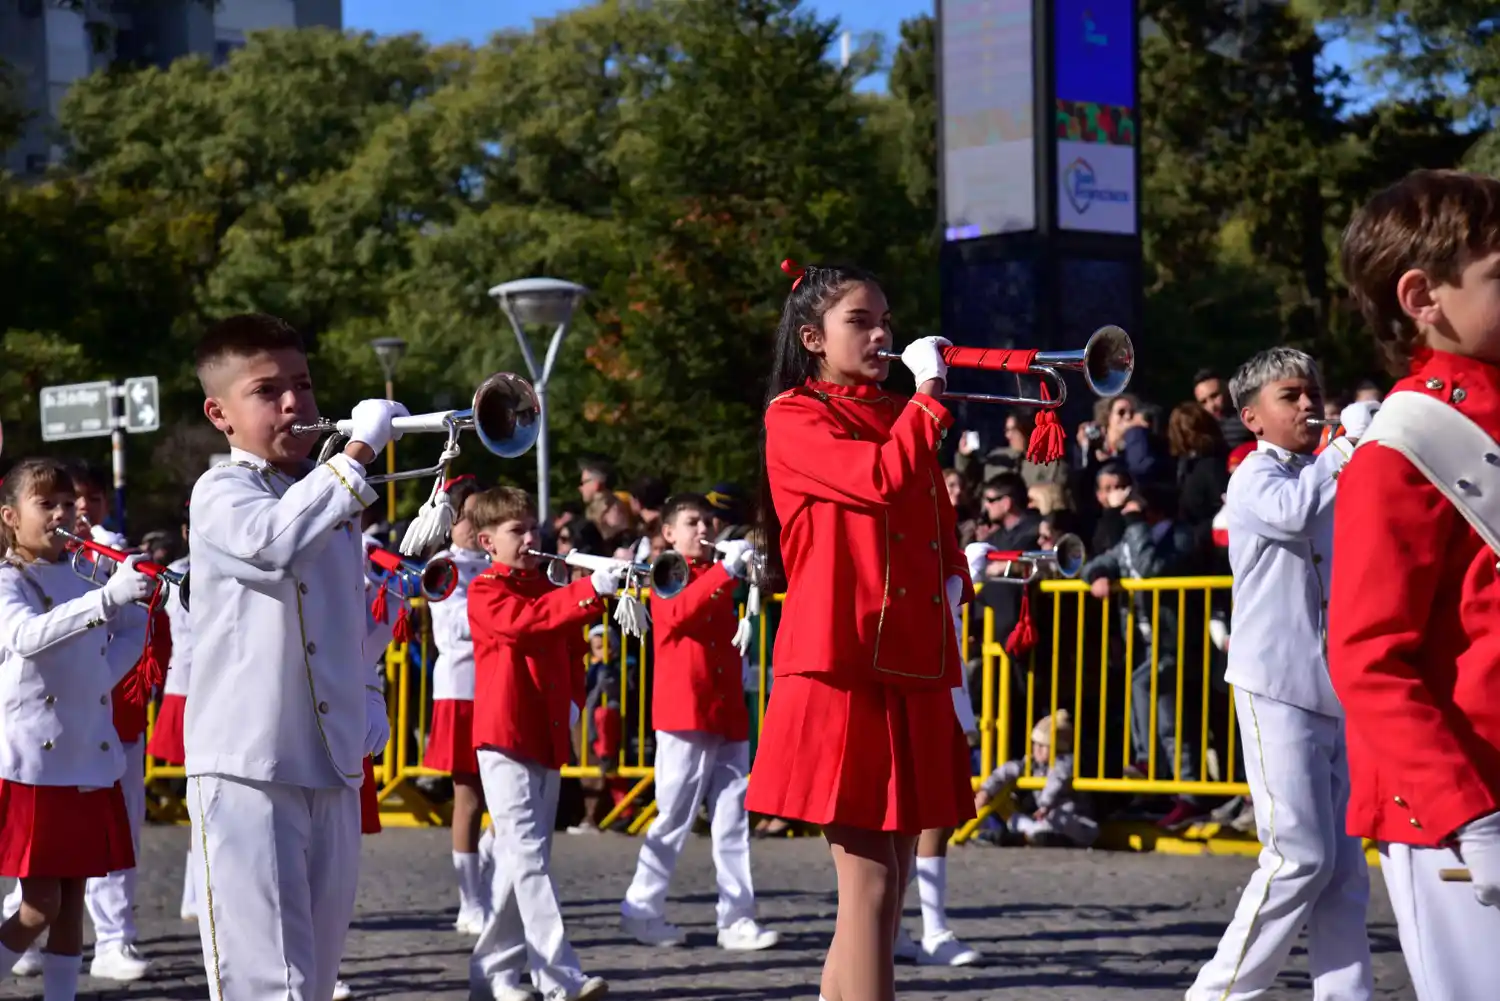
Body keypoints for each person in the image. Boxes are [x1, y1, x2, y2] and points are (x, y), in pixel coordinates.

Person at [745, 260, 975, 1001]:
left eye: (887, 322)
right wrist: (930, 397)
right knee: (872, 886)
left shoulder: (893, 410)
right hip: (842, 661)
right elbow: (878, 477)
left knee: (887, 885)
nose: (882, 336)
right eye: (861, 322)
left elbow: (929, 524)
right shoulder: (794, 415)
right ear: (812, 337)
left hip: (907, 657)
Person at [185, 313, 401, 1001]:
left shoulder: (325, 495)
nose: (293, 403)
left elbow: (341, 621)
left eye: (302, 385)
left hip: (331, 762)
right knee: (265, 985)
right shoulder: (220, 491)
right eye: (267, 389)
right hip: (249, 766)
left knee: (314, 981)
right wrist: (360, 450)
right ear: (219, 413)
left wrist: (370, 693)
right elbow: (274, 544)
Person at [1328, 169, 1500, 1000]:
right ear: (1422, 296)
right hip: (1463, 812)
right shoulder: (1405, 444)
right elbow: (1368, 656)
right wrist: (1468, 814)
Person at [1185, 346, 1378, 1001]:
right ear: (1253, 417)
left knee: (1345, 868)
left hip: (1333, 686)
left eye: (1312, 391)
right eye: (1291, 395)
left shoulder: (1328, 469)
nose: (1308, 404)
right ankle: (1218, 992)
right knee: (1299, 855)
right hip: (1275, 685)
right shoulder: (1253, 477)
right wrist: (1348, 445)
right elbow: (1296, 512)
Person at [0, 458, 155, 1000]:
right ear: (11, 517)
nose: (64, 513)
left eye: (69, 503)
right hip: (35, 764)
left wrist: (135, 606)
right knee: (41, 904)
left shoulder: (86, 572)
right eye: (47, 504)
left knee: (72, 903)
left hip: (87, 757)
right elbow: (25, 637)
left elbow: (107, 660)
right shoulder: (5, 581)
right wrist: (109, 598)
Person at [466, 486, 615, 1001]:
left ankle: (493, 977)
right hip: (505, 735)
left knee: (522, 862)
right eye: (516, 531)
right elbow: (523, 626)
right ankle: (560, 978)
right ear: (488, 541)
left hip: (544, 732)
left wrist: (573, 703)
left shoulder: (541, 585)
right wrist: (587, 591)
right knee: (527, 857)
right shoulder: (485, 587)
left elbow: (570, 649)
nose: (531, 538)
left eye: (532, 528)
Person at [619, 493, 776, 951]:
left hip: (724, 707)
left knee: (732, 819)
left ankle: (737, 918)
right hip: (684, 708)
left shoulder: (715, 570)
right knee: (674, 816)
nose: (703, 530)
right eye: (691, 523)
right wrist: (727, 573)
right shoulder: (666, 572)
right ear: (668, 533)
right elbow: (679, 613)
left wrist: (743, 569)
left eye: (706, 521)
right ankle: (641, 906)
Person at [421, 476, 496, 935]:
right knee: (469, 798)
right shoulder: (443, 565)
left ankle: (484, 880)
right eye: (466, 515)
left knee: (506, 802)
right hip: (463, 688)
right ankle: (470, 902)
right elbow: (459, 627)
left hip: (498, 687)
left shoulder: (494, 564)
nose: (472, 524)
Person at [145, 502, 193, 923]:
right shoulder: (176, 570)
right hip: (186, 689)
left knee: (208, 800)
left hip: (223, 692)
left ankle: (199, 891)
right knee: (200, 797)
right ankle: (196, 893)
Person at [974, 710, 1097, 848]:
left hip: (1074, 822)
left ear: (1058, 747)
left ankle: (1030, 837)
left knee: (1056, 818)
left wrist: (1045, 804)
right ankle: (1025, 836)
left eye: (1043, 746)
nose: (1036, 749)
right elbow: (1008, 769)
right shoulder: (1033, 763)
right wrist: (986, 791)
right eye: (1035, 744)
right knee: (1016, 816)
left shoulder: (1065, 763)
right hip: (1044, 818)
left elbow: (1056, 779)